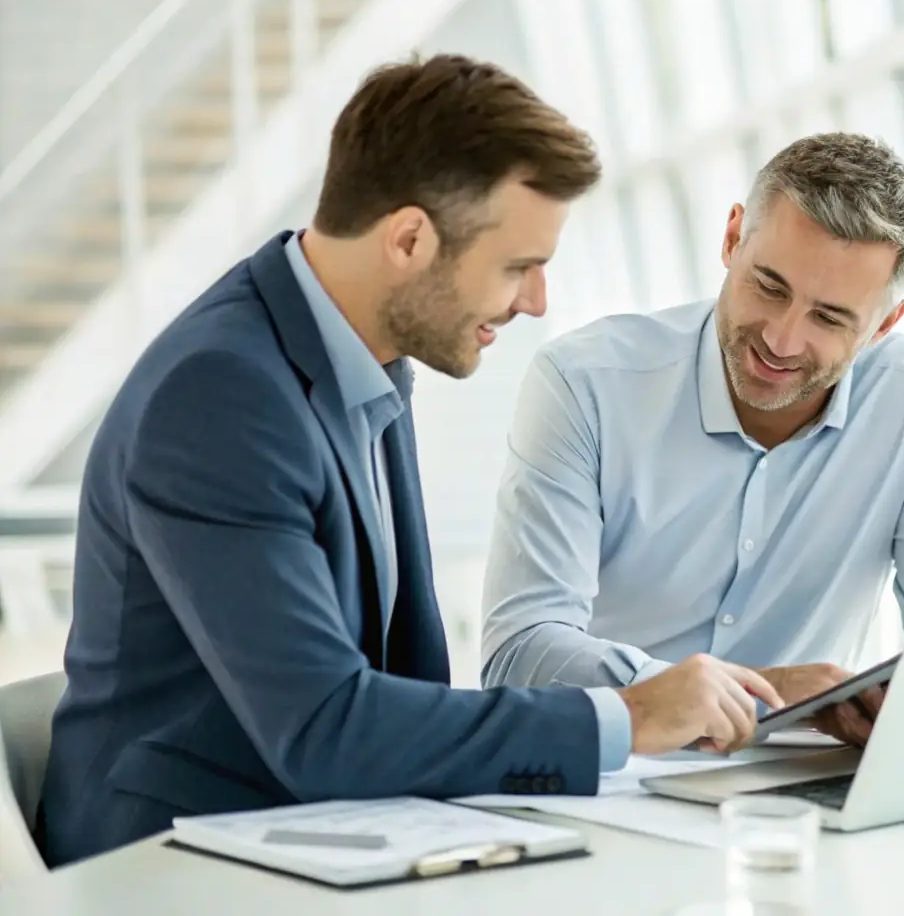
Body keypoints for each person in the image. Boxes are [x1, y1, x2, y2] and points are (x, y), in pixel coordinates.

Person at [39, 55, 781, 867]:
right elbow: (325, 727)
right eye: (518, 267)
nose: (535, 302)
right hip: (167, 867)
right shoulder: (220, 396)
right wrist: (628, 717)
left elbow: (397, 681)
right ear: (409, 239)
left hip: (321, 833)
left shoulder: (366, 355)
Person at [481, 132, 904, 745]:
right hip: (620, 770)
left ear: (885, 324)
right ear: (732, 239)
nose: (781, 341)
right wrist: (754, 692)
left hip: (800, 786)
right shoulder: (585, 384)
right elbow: (518, 652)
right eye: (769, 287)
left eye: (830, 318)